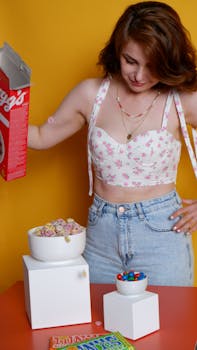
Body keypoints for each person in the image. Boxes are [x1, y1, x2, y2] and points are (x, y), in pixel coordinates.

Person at [28, 1, 197, 286]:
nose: (139, 76)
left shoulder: (182, 100)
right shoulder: (90, 94)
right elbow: (42, 137)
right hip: (100, 237)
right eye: (130, 61)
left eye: (153, 65)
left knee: (169, 325)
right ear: (117, 50)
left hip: (162, 234)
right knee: (99, 327)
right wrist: (8, 113)